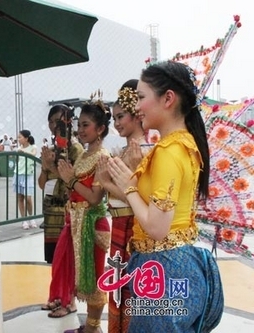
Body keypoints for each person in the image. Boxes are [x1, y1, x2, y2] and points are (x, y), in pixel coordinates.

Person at [107, 61, 224, 332]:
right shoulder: (185, 144)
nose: (137, 107)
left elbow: (157, 228)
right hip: (177, 264)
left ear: (168, 99)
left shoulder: (169, 151)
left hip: (163, 269)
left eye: (141, 98)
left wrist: (129, 186)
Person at [47, 99, 111, 333]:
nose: (80, 130)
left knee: (93, 278)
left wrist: (71, 179)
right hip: (76, 222)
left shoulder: (102, 157)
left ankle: (94, 329)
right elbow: (73, 186)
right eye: (80, 125)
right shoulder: (85, 155)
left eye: (86, 125)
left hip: (92, 224)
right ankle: (89, 327)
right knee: (81, 275)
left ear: (100, 129)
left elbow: (94, 197)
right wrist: (54, 169)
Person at [96, 79, 152, 333]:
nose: (117, 123)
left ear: (136, 116)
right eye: (114, 118)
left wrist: (106, 184)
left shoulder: (143, 149)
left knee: (127, 291)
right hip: (119, 224)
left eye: (121, 117)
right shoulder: (124, 150)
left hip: (133, 226)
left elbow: (137, 196)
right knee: (119, 289)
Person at [39, 104, 83, 263]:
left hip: (67, 208)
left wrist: (50, 166)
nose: (53, 125)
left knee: (68, 258)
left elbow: (73, 181)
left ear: (68, 121)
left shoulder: (75, 149)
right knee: (54, 259)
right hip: (51, 209)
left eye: (57, 120)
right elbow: (41, 184)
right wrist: (45, 168)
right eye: (50, 121)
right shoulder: (51, 149)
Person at [13, 129, 37, 229]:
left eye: (20, 137)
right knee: (20, 198)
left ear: (26, 138)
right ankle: (24, 220)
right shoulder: (18, 148)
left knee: (28, 198)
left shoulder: (33, 147)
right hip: (18, 174)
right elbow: (17, 161)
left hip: (28, 175)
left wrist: (22, 151)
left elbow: (34, 155)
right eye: (18, 137)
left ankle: (31, 217)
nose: (18, 139)